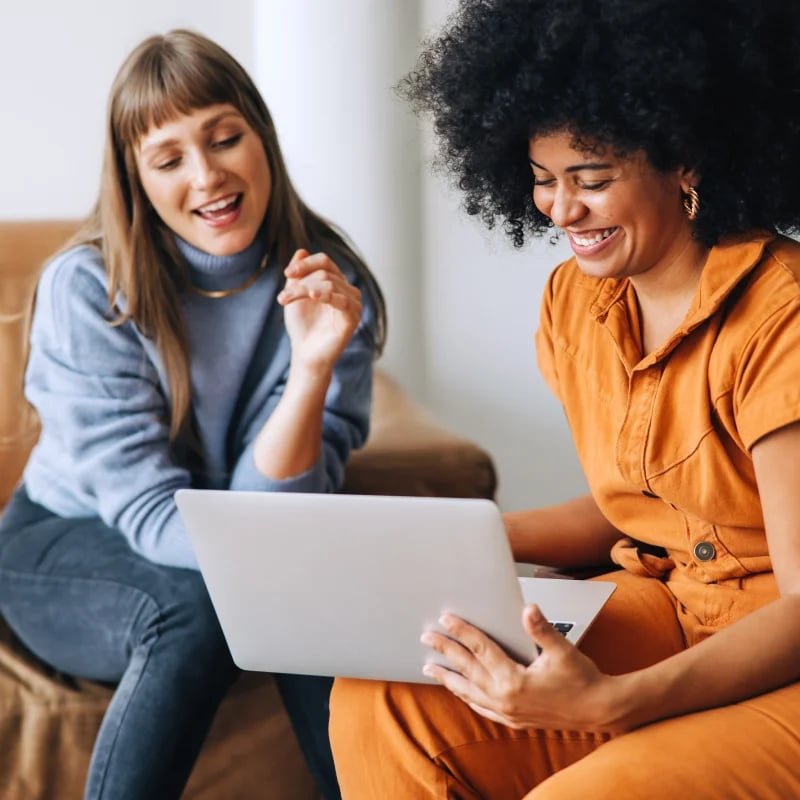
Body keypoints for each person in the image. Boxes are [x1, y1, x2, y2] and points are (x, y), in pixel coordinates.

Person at [328, 0, 800, 797]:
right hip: (672, 604)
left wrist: (615, 702)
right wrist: (458, 540)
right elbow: (643, 505)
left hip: (780, 649)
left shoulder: (779, 314)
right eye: (544, 181)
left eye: (593, 180)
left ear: (685, 158)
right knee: (389, 698)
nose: (562, 210)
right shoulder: (576, 303)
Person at [0, 29, 385, 800]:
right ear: (137, 181)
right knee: (219, 603)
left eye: (223, 138)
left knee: (303, 604)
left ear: (261, 138)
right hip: (63, 544)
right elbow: (147, 515)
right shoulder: (88, 289)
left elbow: (281, 513)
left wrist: (310, 372)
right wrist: (279, 565)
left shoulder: (330, 287)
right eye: (169, 158)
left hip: (232, 543)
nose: (207, 175)